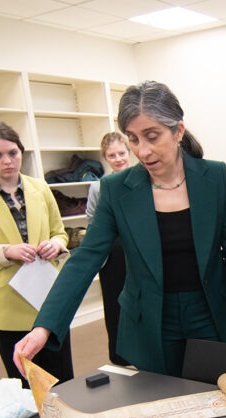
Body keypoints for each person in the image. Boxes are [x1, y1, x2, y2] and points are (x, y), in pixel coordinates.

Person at [14, 81, 226, 378]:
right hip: (152, 319)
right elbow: (85, 259)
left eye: (152, 136)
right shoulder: (117, 189)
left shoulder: (215, 177)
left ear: (178, 131)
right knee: (162, 405)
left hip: (209, 311)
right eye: (133, 139)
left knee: (218, 399)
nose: (142, 151)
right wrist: (45, 326)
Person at [0, 121, 71, 385]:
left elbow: (60, 232)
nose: (7, 161)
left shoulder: (40, 188)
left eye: (13, 153)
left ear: (21, 152)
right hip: (8, 301)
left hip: (47, 295)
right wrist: (5, 251)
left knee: (62, 376)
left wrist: (55, 243)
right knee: (27, 381)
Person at [86, 131, 131, 366]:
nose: (118, 158)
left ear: (129, 152)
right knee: (114, 304)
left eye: (121, 153)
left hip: (137, 250)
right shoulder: (98, 187)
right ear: (105, 157)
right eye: (112, 155)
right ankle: (119, 355)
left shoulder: (143, 180)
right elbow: (92, 220)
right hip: (112, 255)